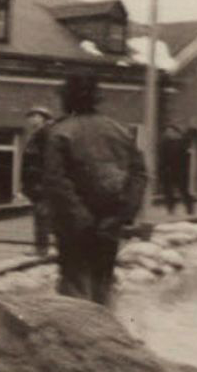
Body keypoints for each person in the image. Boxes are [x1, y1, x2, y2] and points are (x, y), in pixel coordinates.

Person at [43, 76, 147, 305]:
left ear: (67, 99)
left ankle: (77, 338)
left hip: (74, 227)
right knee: (103, 286)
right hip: (109, 224)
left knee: (75, 289)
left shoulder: (60, 132)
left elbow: (56, 180)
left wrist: (81, 218)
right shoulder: (119, 130)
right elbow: (139, 175)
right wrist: (121, 216)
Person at [20, 105, 54, 258]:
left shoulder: (45, 135)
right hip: (36, 183)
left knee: (42, 216)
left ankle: (41, 249)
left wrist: (42, 182)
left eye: (36, 116)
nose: (32, 119)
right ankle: (41, 247)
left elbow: (47, 160)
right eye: (31, 116)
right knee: (41, 215)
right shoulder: (37, 135)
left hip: (42, 183)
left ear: (44, 119)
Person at [159, 124, 195, 215]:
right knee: (168, 191)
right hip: (168, 171)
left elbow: (185, 156)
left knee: (183, 190)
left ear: (176, 133)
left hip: (180, 171)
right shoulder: (164, 144)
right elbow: (162, 158)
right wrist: (162, 169)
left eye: (171, 132)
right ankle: (170, 209)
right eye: (167, 132)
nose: (168, 134)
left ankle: (189, 208)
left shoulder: (182, 143)